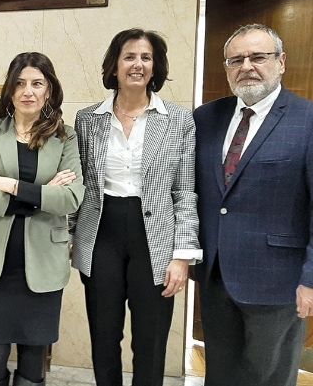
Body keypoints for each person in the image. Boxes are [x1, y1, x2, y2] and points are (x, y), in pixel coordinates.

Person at [70, 29, 200, 386]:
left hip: (155, 239)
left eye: (146, 57)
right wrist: (66, 238)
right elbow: (79, 186)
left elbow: (185, 191)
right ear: (114, 66)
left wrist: (182, 255)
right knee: (104, 335)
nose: (137, 64)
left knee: (151, 338)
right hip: (101, 235)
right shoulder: (87, 119)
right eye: (129, 56)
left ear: (155, 66)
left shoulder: (178, 119)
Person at [193, 23, 313, 386]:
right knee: (221, 374)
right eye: (236, 59)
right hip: (215, 277)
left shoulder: (307, 120)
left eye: (258, 57)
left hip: (278, 281)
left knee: (269, 377)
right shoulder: (205, 118)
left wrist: (310, 279)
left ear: (280, 63)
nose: (247, 66)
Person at [0, 52, 85, 386]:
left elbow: (72, 197)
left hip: (44, 263)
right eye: (19, 83)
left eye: (36, 83)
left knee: (34, 356)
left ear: (49, 90)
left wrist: (11, 185)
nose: (27, 91)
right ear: (10, 90)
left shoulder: (66, 136)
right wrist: (42, 193)